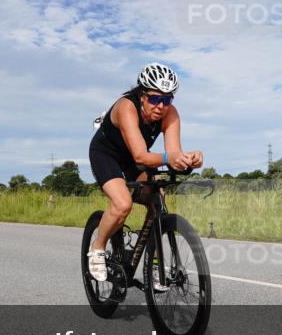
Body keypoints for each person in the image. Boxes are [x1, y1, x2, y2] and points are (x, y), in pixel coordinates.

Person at [87, 63, 203, 290]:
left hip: (134, 159)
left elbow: (173, 153)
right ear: (141, 95)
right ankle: (97, 247)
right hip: (107, 154)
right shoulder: (126, 107)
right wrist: (170, 158)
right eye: (154, 99)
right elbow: (141, 156)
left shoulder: (170, 114)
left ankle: (156, 266)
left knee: (156, 200)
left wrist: (189, 159)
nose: (161, 106)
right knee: (122, 204)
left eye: (167, 100)